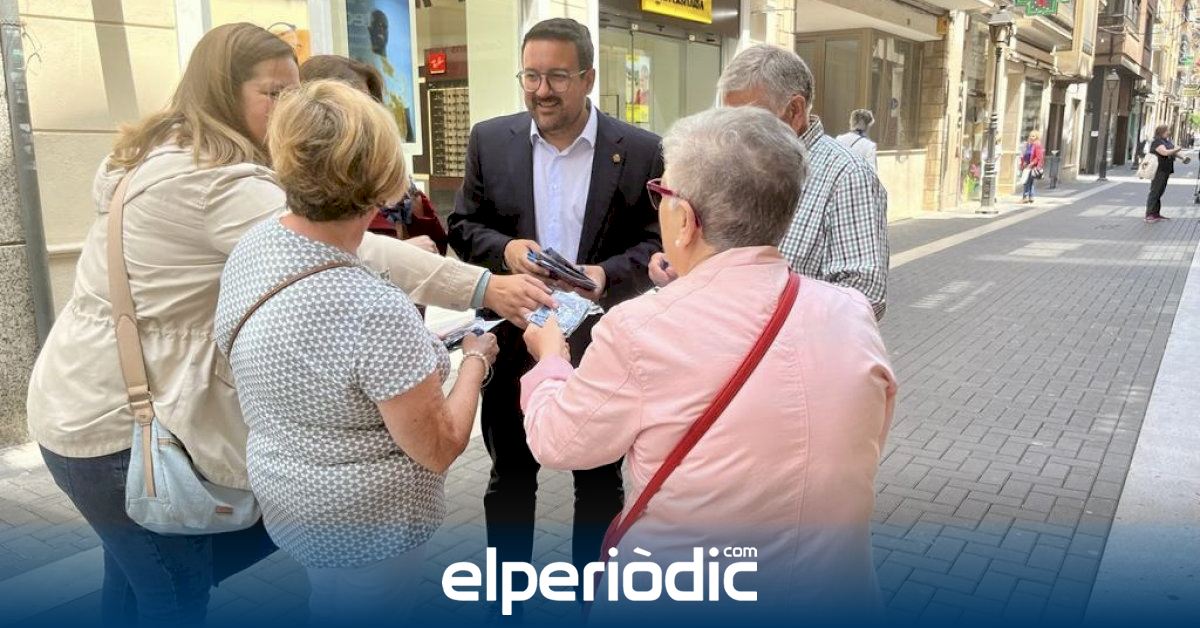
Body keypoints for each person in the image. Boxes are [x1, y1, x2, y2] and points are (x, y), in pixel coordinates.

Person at [25, 23, 548, 627]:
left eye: (294, 92)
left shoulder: (182, 165)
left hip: (94, 401)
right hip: (120, 423)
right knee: (172, 593)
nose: (288, 108)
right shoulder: (217, 187)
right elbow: (344, 245)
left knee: (140, 580)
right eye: (273, 93)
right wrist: (480, 307)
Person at [521, 106, 897, 623]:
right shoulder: (851, 312)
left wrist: (550, 359)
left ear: (685, 219)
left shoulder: (639, 330)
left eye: (662, 193)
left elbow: (559, 442)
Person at [214, 79, 497, 625]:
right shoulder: (371, 309)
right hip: (370, 527)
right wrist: (475, 361)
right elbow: (439, 447)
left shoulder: (257, 246)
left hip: (291, 499)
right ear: (380, 177)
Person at [447, 17, 662, 605]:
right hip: (517, 335)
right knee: (510, 479)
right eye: (531, 76)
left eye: (558, 77)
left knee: (599, 483)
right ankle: (507, 601)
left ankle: (593, 601)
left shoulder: (641, 149)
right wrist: (507, 250)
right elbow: (463, 226)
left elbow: (656, 242)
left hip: (600, 344)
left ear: (588, 78)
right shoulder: (491, 140)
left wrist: (606, 275)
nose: (542, 90)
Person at [652, 44, 888, 319]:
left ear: (795, 110)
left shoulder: (848, 175)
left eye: (749, 118)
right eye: (728, 117)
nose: (734, 132)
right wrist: (684, 265)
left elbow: (865, 295)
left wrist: (767, 317)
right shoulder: (734, 162)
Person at [300, 54, 445, 254]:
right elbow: (321, 254)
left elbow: (436, 247)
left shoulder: (383, 170)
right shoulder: (308, 184)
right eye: (353, 106)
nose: (366, 116)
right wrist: (399, 252)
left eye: (370, 104)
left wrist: (411, 197)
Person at [1146, 124, 1191, 223]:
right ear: (1162, 131)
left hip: (1165, 170)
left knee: (1159, 192)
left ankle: (1156, 213)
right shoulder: (1157, 142)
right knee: (1155, 192)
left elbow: (1174, 152)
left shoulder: (1167, 141)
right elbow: (1165, 152)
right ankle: (1149, 214)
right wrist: (1177, 149)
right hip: (1158, 170)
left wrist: (1183, 157)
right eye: (1167, 131)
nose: (1169, 132)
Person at [1018, 130, 1045, 205]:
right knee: (1029, 182)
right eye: (1030, 136)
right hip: (1026, 165)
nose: (1031, 137)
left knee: (1027, 181)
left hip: (1032, 166)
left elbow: (1039, 157)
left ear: (1036, 137)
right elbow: (1025, 155)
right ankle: (1031, 197)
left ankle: (1026, 197)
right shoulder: (1029, 145)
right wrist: (1023, 162)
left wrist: (1032, 163)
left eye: (1033, 136)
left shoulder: (1037, 145)